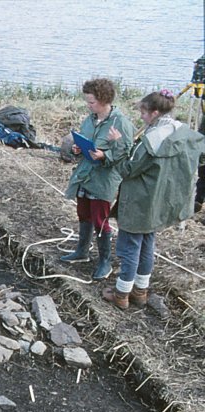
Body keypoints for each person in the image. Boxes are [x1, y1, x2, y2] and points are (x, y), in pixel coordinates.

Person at [101, 90, 205, 309]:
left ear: (155, 113)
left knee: (130, 247)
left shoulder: (152, 140)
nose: (141, 116)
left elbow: (127, 170)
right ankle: (140, 291)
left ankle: (122, 293)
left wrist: (119, 144)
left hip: (140, 202)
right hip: (161, 202)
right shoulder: (184, 133)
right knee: (147, 245)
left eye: (143, 112)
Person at [61, 78, 134, 280]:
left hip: (104, 180)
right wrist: (78, 149)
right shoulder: (90, 119)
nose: (88, 105)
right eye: (87, 102)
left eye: (91, 102)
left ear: (103, 100)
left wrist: (105, 156)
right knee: (83, 213)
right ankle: (82, 252)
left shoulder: (121, 123)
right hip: (85, 175)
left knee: (100, 220)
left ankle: (105, 262)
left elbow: (126, 153)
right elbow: (86, 142)